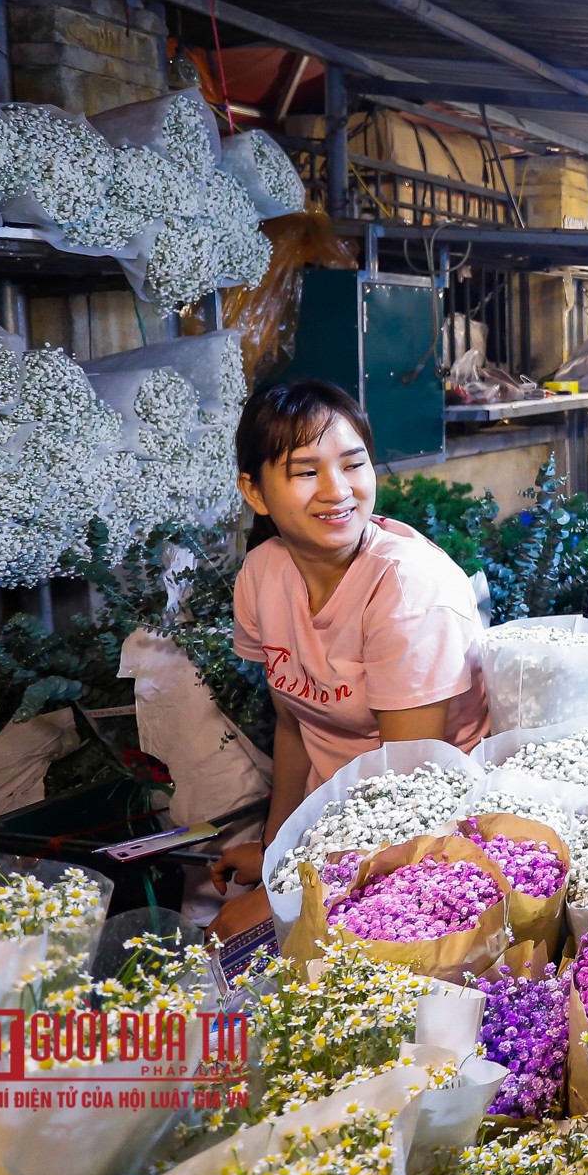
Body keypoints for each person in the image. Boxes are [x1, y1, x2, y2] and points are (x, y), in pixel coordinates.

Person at [210, 380, 494, 892]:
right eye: (305, 471)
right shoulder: (262, 573)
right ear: (255, 492)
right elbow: (295, 727)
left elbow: (410, 790)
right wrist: (280, 853)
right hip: (332, 832)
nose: (337, 490)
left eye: (353, 464)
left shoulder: (407, 589)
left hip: (437, 839)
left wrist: (293, 892)